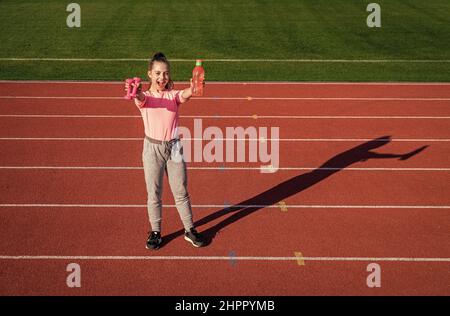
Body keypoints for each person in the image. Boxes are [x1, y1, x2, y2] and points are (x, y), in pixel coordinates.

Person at [125, 52, 206, 249]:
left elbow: (185, 94)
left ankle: (189, 229)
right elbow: (140, 97)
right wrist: (135, 91)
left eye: (166, 73)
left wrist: (194, 87)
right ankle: (155, 232)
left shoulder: (172, 96)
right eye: (158, 73)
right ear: (150, 74)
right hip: (152, 149)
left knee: (181, 191)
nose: (162, 78)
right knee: (154, 193)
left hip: (174, 147)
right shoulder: (146, 98)